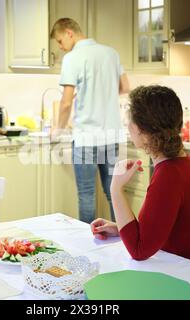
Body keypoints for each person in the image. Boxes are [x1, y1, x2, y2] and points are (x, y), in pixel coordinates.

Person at [91, 86, 190, 269]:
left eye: (129, 121)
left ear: (142, 130)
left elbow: (139, 251)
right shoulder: (181, 163)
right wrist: (121, 229)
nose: (127, 126)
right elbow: (161, 228)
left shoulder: (169, 176)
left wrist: (116, 189)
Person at [50, 17, 131, 224]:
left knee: (86, 194)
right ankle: (122, 239)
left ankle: (88, 243)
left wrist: (57, 129)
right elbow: (124, 87)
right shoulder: (111, 53)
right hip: (111, 136)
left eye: (60, 41)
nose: (61, 47)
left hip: (86, 137)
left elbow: (66, 103)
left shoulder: (72, 58)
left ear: (69, 33)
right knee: (113, 192)